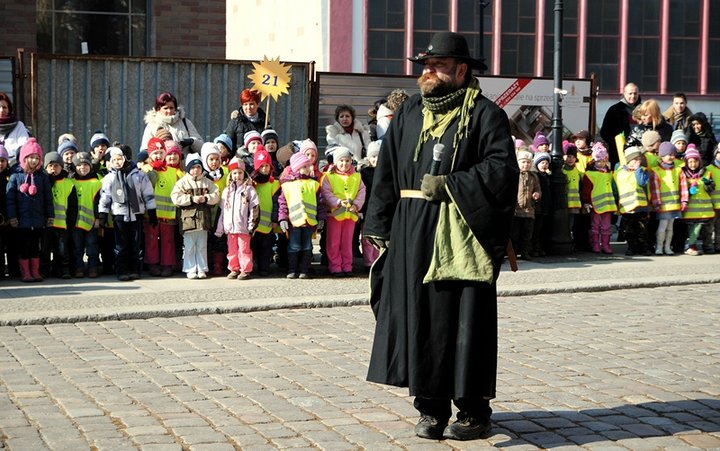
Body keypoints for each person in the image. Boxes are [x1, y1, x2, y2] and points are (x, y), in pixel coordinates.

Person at [363, 32, 519, 441]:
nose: (428, 72)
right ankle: (430, 408)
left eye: (437, 65)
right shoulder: (411, 111)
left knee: (465, 322)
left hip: (463, 235)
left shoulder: (485, 114)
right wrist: (378, 224)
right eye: (425, 66)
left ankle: (473, 410)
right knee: (419, 320)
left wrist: (452, 184)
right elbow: (387, 171)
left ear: (461, 70)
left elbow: (502, 170)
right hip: (412, 231)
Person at [98, 146, 157, 281]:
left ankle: (135, 269)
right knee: (121, 245)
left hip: (136, 214)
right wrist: (103, 214)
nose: (117, 162)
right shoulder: (109, 178)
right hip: (119, 214)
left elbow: (148, 194)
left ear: (126, 158)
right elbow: (105, 197)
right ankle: (122, 270)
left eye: (120, 159)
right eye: (114, 160)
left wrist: (152, 211)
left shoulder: (139, 175)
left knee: (135, 244)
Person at [6, 138, 54, 282]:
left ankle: (35, 272)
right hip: (22, 221)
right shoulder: (15, 176)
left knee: (35, 247)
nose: (34, 161)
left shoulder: (43, 178)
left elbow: (48, 199)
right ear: (24, 158)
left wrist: (49, 216)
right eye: (31, 157)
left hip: (38, 220)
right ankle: (25, 273)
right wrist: (13, 217)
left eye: (36, 158)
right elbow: (10, 200)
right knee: (23, 247)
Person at [171, 153, 220, 279]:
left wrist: (206, 198)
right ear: (188, 169)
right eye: (193, 167)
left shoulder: (207, 182)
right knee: (189, 246)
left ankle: (202, 268)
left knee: (202, 246)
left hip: (203, 221)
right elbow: (175, 197)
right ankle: (190, 268)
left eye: (198, 167)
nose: (196, 170)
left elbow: (216, 195)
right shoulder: (182, 182)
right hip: (188, 221)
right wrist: (192, 199)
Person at [278, 152, 326, 279]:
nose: (308, 168)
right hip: (294, 222)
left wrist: (321, 218)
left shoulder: (314, 184)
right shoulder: (287, 185)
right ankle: (292, 269)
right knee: (294, 246)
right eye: (305, 166)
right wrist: (282, 218)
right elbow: (282, 203)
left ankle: (304, 269)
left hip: (309, 222)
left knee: (307, 246)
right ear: (297, 167)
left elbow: (320, 203)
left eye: (308, 166)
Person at [321, 147, 366, 277]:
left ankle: (347, 265)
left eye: (347, 161)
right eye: (341, 160)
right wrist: (337, 202)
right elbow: (326, 193)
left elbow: (361, 191)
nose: (344, 164)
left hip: (350, 215)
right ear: (335, 162)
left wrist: (357, 204)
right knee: (334, 242)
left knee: (347, 242)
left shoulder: (357, 177)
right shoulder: (329, 177)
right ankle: (335, 266)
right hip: (335, 214)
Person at [215, 158, 259, 279]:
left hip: (243, 227)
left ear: (244, 174)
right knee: (232, 250)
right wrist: (219, 229)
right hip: (230, 228)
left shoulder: (249, 190)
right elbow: (221, 211)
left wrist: (252, 225)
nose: (237, 175)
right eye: (234, 173)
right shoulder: (226, 191)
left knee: (244, 249)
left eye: (240, 172)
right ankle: (234, 268)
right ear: (230, 175)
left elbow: (254, 208)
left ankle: (245, 269)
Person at [143, 137, 181, 277]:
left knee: (168, 241)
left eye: (161, 152)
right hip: (151, 214)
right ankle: (152, 264)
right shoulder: (145, 169)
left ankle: (167, 265)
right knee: (151, 240)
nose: (158, 156)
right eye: (155, 153)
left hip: (168, 215)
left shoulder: (173, 172)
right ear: (149, 155)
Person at [41, 151, 77, 279]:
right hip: (46, 223)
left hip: (62, 223)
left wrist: (71, 222)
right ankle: (44, 270)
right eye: (50, 166)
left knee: (62, 250)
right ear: (45, 168)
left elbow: (72, 207)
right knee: (45, 249)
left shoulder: (68, 183)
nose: (53, 169)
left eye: (56, 166)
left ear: (61, 167)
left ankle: (63, 269)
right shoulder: (43, 181)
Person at [70, 152, 103, 277]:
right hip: (75, 222)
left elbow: (99, 202)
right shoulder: (71, 182)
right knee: (77, 247)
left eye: (85, 164)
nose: (82, 167)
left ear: (90, 166)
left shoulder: (96, 182)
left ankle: (93, 268)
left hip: (91, 221)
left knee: (92, 247)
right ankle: (79, 268)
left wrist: (98, 218)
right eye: (79, 165)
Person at [613, 146, 651, 256]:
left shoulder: (642, 171)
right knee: (629, 229)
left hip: (640, 206)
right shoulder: (619, 172)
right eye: (635, 160)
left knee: (642, 229)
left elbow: (642, 183)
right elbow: (616, 188)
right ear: (629, 161)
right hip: (627, 207)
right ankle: (631, 247)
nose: (638, 162)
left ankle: (643, 247)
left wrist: (638, 171)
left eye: (639, 159)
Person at [581, 143, 617, 254]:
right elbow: (586, 189)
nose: (601, 163)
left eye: (603, 161)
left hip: (608, 204)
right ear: (594, 161)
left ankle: (606, 245)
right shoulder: (590, 174)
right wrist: (586, 201)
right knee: (595, 226)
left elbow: (614, 188)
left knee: (606, 226)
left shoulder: (610, 173)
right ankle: (596, 244)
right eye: (598, 161)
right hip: (595, 204)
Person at [250, 145, 280, 276]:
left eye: (267, 166)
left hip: (268, 224)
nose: (264, 169)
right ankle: (252, 265)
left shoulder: (274, 184)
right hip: (253, 225)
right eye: (261, 166)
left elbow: (277, 204)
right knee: (252, 247)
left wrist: (275, 220)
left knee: (266, 248)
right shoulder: (251, 184)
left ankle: (264, 268)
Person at [679, 146, 715, 255]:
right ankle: (691, 245)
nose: (693, 164)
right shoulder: (684, 174)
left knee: (703, 228)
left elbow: (711, 188)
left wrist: (708, 184)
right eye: (690, 162)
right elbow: (682, 189)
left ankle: (703, 246)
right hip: (690, 209)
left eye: (695, 161)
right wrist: (690, 191)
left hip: (704, 208)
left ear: (699, 162)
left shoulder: (705, 173)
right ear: (686, 162)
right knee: (692, 228)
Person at [649, 142, 682, 255]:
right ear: (662, 156)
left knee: (670, 227)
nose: (672, 157)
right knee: (662, 226)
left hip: (674, 204)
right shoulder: (657, 171)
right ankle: (659, 246)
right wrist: (657, 202)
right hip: (663, 205)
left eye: (673, 154)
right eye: (669, 154)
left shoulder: (677, 170)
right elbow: (655, 188)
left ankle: (667, 247)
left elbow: (682, 186)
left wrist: (683, 200)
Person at [600, 82, 641, 169]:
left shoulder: (643, 109)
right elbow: (604, 132)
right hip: (619, 152)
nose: (633, 96)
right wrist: (616, 145)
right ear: (624, 94)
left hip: (639, 151)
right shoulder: (615, 110)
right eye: (630, 93)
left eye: (635, 93)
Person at [512, 149, 541, 260]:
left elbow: (537, 188)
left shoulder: (533, 176)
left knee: (527, 234)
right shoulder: (515, 175)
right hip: (516, 210)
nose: (526, 165)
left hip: (529, 210)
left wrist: (537, 194)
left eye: (528, 162)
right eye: (523, 162)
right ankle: (513, 253)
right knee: (514, 234)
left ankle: (525, 252)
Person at [360, 140, 381, 270]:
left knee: (379, 236)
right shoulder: (364, 172)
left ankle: (378, 260)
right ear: (368, 158)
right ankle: (368, 261)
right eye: (373, 156)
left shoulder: (386, 171)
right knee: (367, 237)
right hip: (367, 208)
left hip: (380, 209)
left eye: (378, 156)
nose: (376, 159)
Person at [0, 92, 31, 169]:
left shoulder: (18, 125)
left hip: (14, 167)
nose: (1, 110)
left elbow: (24, 145)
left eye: (4, 107)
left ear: (9, 109)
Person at [531, 152, 552, 257]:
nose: (545, 165)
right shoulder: (536, 176)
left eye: (546, 163)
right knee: (535, 229)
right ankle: (534, 248)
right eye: (542, 163)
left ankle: (539, 247)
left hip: (545, 206)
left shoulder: (547, 176)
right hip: (537, 207)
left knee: (541, 229)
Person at [703, 146, 720, 254]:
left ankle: (718, 245)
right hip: (712, 204)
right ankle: (708, 246)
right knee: (709, 227)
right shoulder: (709, 169)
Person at [0, 145, 10, 278]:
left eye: (3, 160)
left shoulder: (10, 176)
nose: (0, 164)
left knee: (7, 246)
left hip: (8, 216)